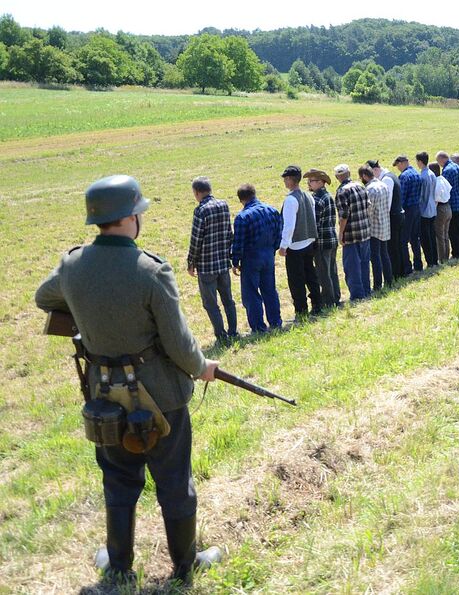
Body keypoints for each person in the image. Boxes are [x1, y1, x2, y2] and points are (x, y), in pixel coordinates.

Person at [34, 175, 221, 588]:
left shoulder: (71, 265)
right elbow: (180, 344)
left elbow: (43, 298)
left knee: (118, 481)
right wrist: (202, 366)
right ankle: (185, 566)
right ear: (130, 217)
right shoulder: (150, 271)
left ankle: (119, 566)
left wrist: (88, 307)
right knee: (174, 481)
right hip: (161, 397)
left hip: (103, 396)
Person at [186, 176, 238, 343]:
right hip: (223, 263)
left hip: (207, 266)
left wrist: (190, 262)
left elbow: (196, 239)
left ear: (196, 192)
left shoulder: (201, 210)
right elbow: (229, 234)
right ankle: (233, 331)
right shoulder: (224, 205)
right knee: (228, 300)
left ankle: (221, 335)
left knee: (210, 304)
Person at [232, 184, 284, 333]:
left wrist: (235, 261)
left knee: (251, 294)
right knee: (270, 290)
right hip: (268, 255)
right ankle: (275, 321)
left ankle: (258, 327)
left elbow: (238, 242)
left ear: (241, 200)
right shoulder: (272, 211)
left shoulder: (242, 217)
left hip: (251, 258)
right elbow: (278, 234)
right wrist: (272, 249)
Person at [280, 165, 322, 320]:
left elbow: (289, 225)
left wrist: (283, 245)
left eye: (285, 178)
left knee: (296, 280)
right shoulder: (308, 195)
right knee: (311, 275)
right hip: (309, 241)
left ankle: (301, 310)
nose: (284, 181)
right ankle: (317, 304)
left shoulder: (291, 199)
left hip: (296, 245)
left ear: (290, 180)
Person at [334, 163, 372, 300]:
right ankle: (367, 290)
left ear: (337, 177)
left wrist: (341, 233)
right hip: (365, 231)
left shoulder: (342, 192)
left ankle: (357, 295)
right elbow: (368, 206)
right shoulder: (361, 186)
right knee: (364, 264)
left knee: (352, 267)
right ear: (349, 173)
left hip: (351, 235)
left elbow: (344, 216)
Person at [304, 168, 341, 307]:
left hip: (322, 242)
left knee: (323, 274)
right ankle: (336, 297)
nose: (309, 184)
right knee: (332, 271)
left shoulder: (317, 199)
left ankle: (328, 301)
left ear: (320, 182)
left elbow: (315, 224)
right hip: (331, 238)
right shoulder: (328, 196)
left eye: (311, 181)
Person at [368, 159, 408, 279]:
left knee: (393, 248)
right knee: (397, 246)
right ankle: (401, 271)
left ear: (375, 170)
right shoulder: (390, 175)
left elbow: (388, 202)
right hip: (398, 214)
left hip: (394, 216)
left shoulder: (386, 179)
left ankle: (397, 273)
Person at [360, 165, 393, 290]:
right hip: (384, 224)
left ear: (364, 176)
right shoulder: (383, 185)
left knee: (375, 257)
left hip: (374, 226)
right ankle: (389, 280)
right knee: (384, 254)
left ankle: (378, 284)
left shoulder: (370, 189)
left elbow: (369, 210)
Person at [395, 155, 423, 272]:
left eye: (397, 166)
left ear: (401, 163)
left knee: (403, 240)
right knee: (415, 238)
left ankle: (407, 266)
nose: (398, 168)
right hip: (417, 207)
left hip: (408, 210)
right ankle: (418, 264)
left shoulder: (404, 176)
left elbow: (402, 196)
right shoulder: (416, 173)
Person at [437, 151, 459, 259]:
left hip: (453, 204)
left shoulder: (447, 171)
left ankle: (456, 253)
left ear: (441, 159)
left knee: (453, 231)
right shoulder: (457, 167)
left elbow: (445, 189)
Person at [417, 151, 439, 268]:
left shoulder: (423, 176)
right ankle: (435, 259)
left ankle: (430, 261)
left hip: (425, 210)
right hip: (432, 209)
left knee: (426, 239)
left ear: (420, 162)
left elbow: (422, 196)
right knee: (432, 235)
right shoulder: (431, 173)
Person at [431, 161, 453, 263]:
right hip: (448, 206)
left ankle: (442, 258)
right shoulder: (443, 179)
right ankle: (446, 255)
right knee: (445, 234)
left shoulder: (436, 182)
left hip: (440, 208)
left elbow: (436, 198)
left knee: (439, 235)